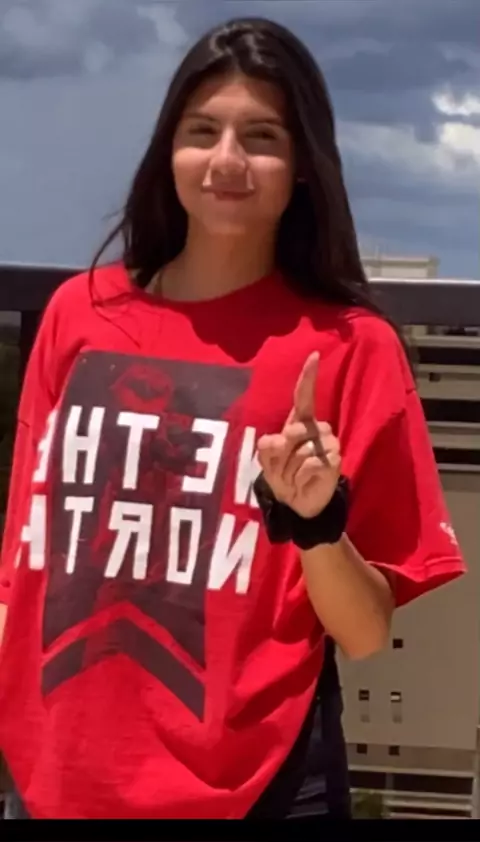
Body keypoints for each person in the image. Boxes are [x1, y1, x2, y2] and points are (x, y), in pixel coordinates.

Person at [0, 17, 466, 820]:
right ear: (167, 149)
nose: (226, 160)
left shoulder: (349, 348)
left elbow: (362, 633)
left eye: (261, 137)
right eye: (201, 131)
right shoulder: (78, 315)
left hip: (258, 789)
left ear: (304, 166)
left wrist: (313, 521)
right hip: (55, 778)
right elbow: (24, 560)